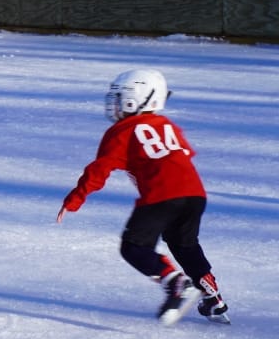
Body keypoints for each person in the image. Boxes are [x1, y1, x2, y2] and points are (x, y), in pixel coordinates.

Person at [56, 69, 229, 325]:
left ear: (135, 100)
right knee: (185, 245)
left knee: (134, 247)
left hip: (162, 194)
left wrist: (75, 199)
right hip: (195, 194)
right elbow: (184, 154)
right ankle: (213, 297)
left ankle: (176, 283)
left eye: (119, 99)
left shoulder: (121, 131)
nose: (114, 105)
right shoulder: (168, 125)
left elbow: (99, 170)